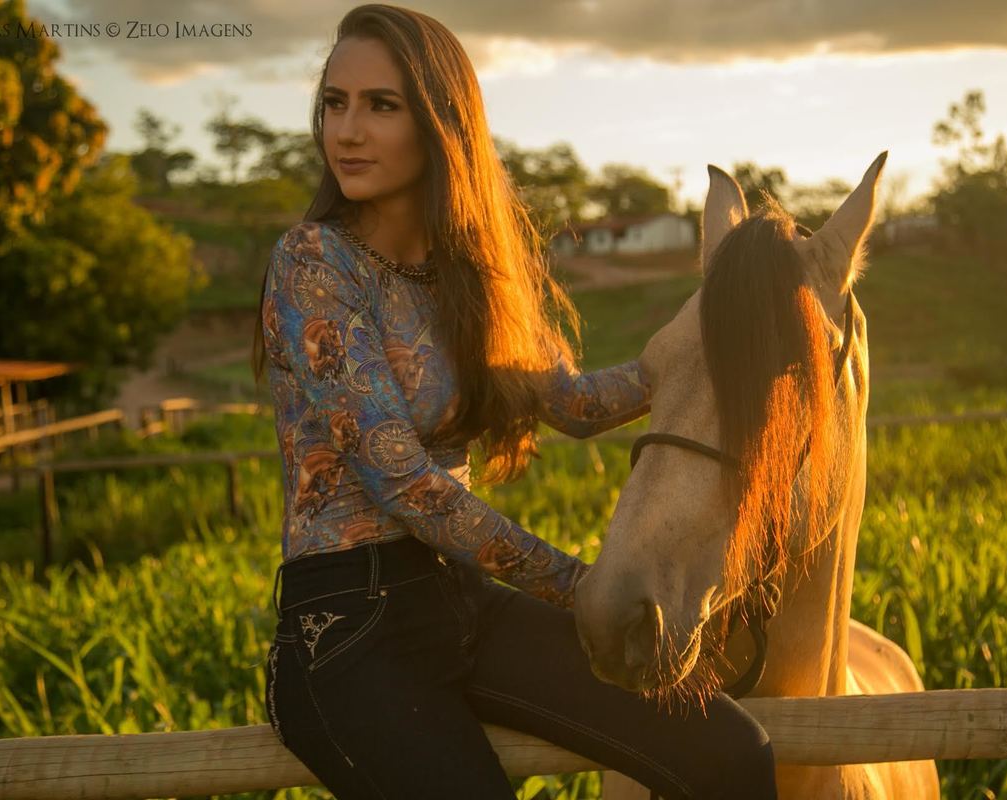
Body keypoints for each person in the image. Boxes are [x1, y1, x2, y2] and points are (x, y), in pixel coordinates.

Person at [252, 5, 777, 798]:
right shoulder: (313, 264)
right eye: (335, 102)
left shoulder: (469, 277)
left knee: (729, 753)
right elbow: (407, 485)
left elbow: (572, 403)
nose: (347, 131)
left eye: (380, 105)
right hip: (348, 631)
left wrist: (707, 330)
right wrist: (580, 586)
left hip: (460, 603)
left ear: (441, 123)